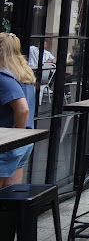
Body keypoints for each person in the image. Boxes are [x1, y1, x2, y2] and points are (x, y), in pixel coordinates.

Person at [0, 33, 36, 187]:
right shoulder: (22, 74)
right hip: (25, 141)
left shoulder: (3, 76)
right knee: (11, 193)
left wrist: (15, 137)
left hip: (8, 142)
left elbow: (23, 109)